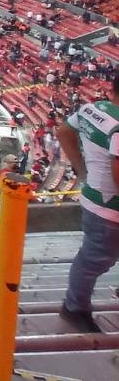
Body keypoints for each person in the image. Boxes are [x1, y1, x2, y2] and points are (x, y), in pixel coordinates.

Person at [57, 78, 119, 334]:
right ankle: (74, 308)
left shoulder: (92, 109)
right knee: (93, 261)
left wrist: (82, 170)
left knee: (94, 257)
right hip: (110, 210)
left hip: (94, 198)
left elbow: (63, 131)